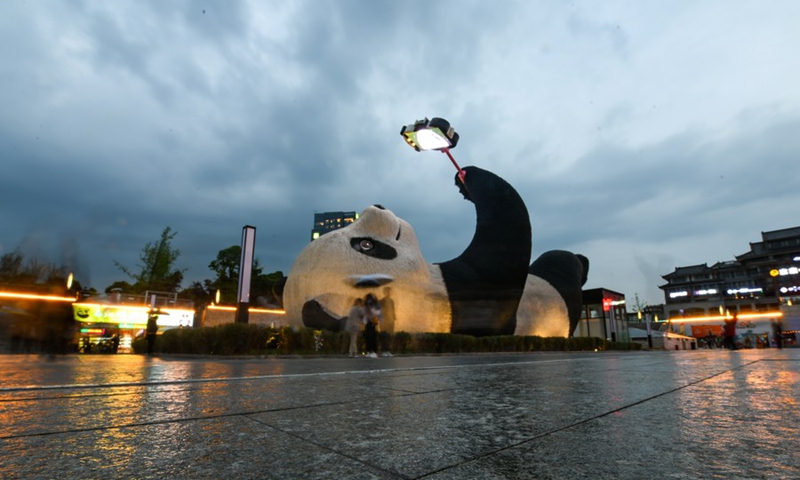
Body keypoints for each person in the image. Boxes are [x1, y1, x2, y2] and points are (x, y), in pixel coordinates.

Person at [363, 293, 382, 358]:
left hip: (369, 323)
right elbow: (377, 312)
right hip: (371, 323)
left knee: (369, 338)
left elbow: (365, 316)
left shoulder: (366, 305)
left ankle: (369, 351)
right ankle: (372, 351)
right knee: (371, 337)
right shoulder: (372, 305)